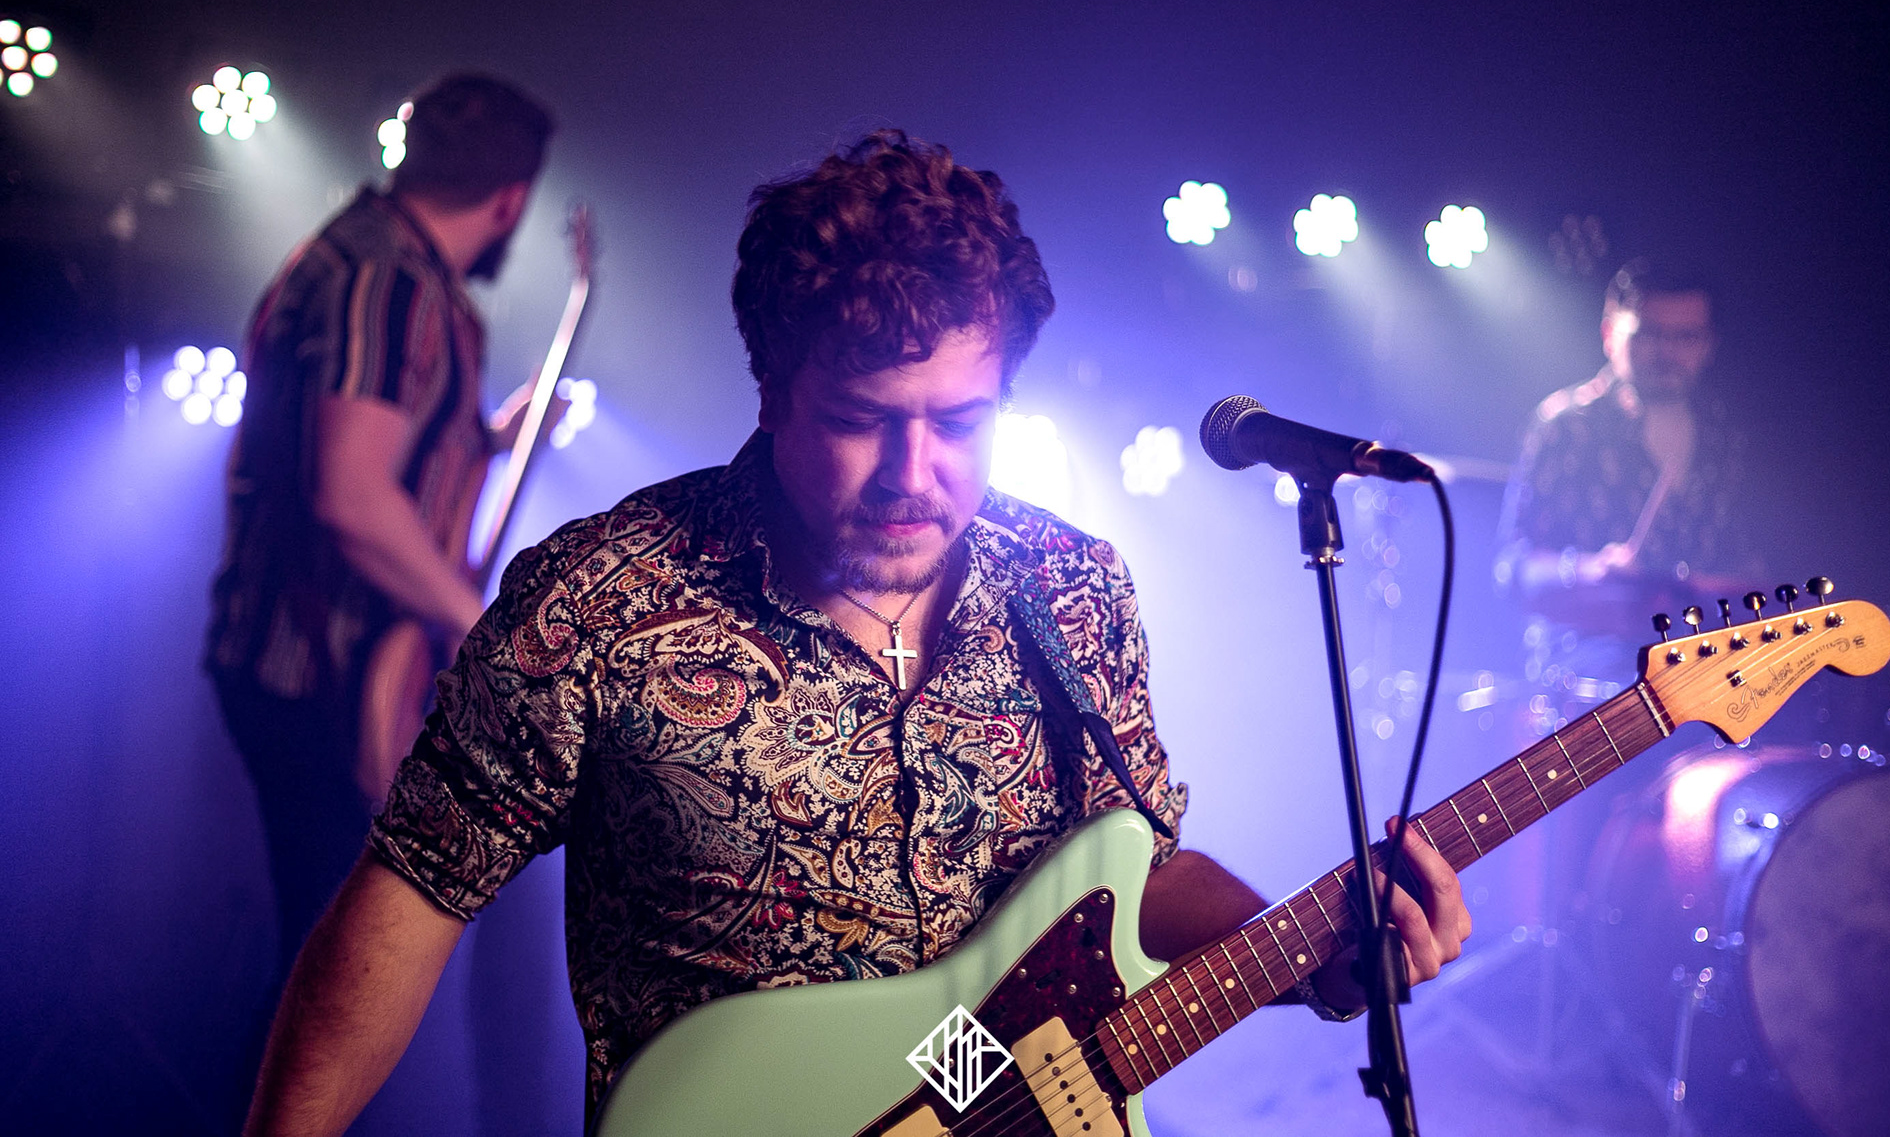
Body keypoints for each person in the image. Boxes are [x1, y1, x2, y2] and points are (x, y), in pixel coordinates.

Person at [241, 132, 1470, 1135]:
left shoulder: (1074, 585)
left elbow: (1137, 877)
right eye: (862, 418)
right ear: (772, 389)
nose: (913, 473)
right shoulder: (603, 599)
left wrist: (1320, 954)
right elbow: (409, 894)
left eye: (961, 422)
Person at [205, 71, 555, 1000]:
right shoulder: (387, 279)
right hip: (313, 666)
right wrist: (478, 628)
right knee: (329, 977)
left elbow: (391, 462)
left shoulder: (386, 263)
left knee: (332, 961)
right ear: (510, 200)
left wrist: (494, 438)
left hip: (324, 661)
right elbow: (354, 498)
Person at [1496, 257, 1752, 714]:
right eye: (1649, 334)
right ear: (1609, 334)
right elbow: (1513, 569)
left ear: (1708, 344)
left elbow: (1749, 564)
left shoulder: (1724, 433)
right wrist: (1589, 571)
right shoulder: (1567, 426)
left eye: (1685, 337)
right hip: (1587, 664)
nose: (1667, 353)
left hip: (1703, 655)